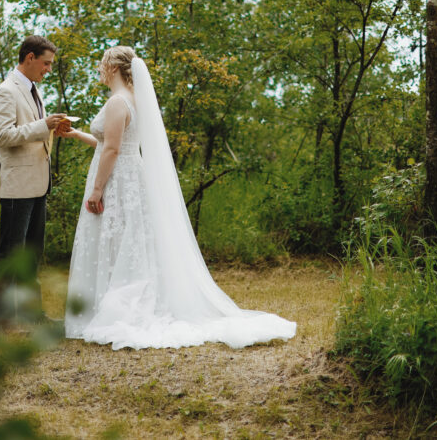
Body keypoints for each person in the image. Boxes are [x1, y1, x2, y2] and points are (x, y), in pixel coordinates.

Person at [58, 46, 297, 349]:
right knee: (124, 242)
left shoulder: (118, 102)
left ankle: (118, 306)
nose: (100, 71)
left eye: (103, 65)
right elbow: (112, 142)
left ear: (114, 68)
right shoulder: (133, 100)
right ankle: (113, 300)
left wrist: (96, 190)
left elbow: (113, 149)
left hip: (118, 180)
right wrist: (77, 134)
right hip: (129, 174)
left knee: (117, 240)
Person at [0, 35, 66, 330]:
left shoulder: (33, 90)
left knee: (32, 254)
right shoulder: (6, 91)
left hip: (38, 183)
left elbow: (32, 131)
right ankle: (2, 322)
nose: (48, 70)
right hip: (16, 185)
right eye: (45, 64)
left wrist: (52, 129)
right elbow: (3, 136)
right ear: (29, 58)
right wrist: (42, 126)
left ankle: (33, 316)